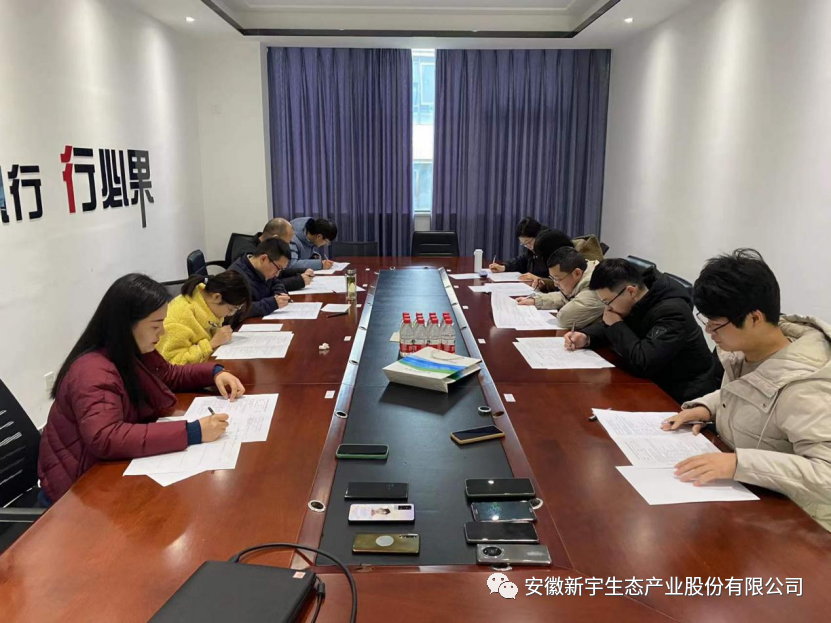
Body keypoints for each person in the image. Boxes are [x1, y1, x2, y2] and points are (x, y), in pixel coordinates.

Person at [661, 249, 831, 531]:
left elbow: (826, 475)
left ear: (754, 318)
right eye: (707, 321)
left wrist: (739, 464)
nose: (709, 331)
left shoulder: (808, 386)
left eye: (717, 324)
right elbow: (751, 391)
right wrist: (706, 407)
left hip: (798, 523)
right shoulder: (745, 350)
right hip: (748, 498)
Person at [37, 274, 245, 505]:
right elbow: (106, 437)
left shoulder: (130, 349)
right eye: (156, 325)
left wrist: (215, 372)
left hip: (108, 473)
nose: (162, 333)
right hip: (75, 494)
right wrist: (192, 432)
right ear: (126, 325)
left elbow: (169, 375)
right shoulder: (93, 371)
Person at [564, 258, 717, 404]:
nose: (607, 308)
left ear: (631, 291)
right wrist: (586, 337)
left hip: (684, 395)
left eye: (608, 302)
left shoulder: (673, 312)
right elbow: (613, 325)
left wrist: (616, 324)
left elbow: (643, 362)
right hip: (653, 384)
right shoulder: (641, 297)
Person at [156, 272, 251, 365]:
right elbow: (173, 364)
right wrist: (211, 344)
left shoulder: (206, 304)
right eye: (231, 309)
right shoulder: (180, 319)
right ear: (217, 297)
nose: (231, 314)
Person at [516, 247, 604, 330]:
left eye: (558, 279)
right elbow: (564, 296)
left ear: (577, 273)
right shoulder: (583, 273)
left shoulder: (596, 285)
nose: (555, 284)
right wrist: (536, 300)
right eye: (553, 278)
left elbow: (565, 318)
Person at [236, 218, 314, 292]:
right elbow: (265, 285)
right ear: (275, 239)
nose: (288, 246)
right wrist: (299, 281)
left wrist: (302, 271)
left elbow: (279, 271)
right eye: (287, 242)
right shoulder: (250, 254)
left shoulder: (267, 249)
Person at [228, 237, 292, 319]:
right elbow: (235, 311)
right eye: (278, 268)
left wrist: (279, 294)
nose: (277, 274)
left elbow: (276, 283)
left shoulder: (265, 270)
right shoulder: (236, 277)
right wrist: (271, 304)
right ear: (263, 259)